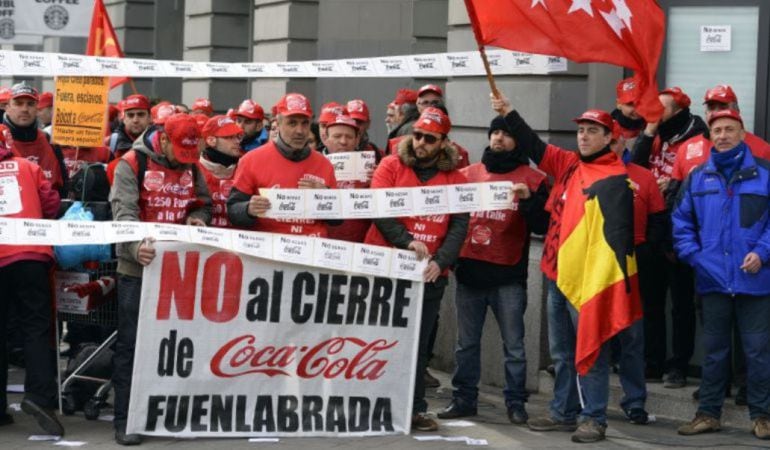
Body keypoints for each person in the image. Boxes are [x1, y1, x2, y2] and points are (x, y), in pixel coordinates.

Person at [492, 94, 640, 443]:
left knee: (591, 347)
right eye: (582, 130)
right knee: (561, 352)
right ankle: (563, 412)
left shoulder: (616, 178)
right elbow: (531, 144)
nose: (584, 136)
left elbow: (616, 242)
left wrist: (601, 283)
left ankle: (594, 417)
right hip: (557, 274)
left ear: (609, 139)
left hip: (590, 281)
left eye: (593, 131)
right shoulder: (569, 163)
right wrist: (508, 112)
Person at [437, 115, 548, 425]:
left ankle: (515, 402)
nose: (498, 138)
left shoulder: (533, 178)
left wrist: (527, 202)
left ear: (518, 141)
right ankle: (463, 399)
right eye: (494, 132)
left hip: (508, 277)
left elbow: (544, 224)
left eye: (506, 133)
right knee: (466, 344)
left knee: (514, 346)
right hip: (470, 273)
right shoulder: (467, 174)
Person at [364, 106, 470, 432]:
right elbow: (380, 210)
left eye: (430, 138)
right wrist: (407, 242)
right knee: (377, 341)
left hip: (429, 274)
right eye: (419, 135)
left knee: (418, 347)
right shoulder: (391, 164)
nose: (422, 142)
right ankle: (369, 405)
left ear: (443, 142)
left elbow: (459, 224)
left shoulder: (455, 177)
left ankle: (412, 409)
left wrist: (441, 261)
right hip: (387, 267)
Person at [109, 113, 212, 445]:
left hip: (179, 269)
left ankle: (169, 413)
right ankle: (126, 420)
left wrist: (197, 218)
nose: (184, 163)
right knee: (132, 345)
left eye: (190, 156)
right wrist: (135, 245)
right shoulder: (131, 163)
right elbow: (123, 212)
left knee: (176, 344)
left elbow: (203, 202)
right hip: (137, 270)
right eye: (180, 155)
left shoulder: (193, 165)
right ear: (164, 139)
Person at [672, 109, 770, 440]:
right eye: (717, 130)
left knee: (757, 351)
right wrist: (695, 257)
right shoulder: (698, 177)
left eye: (730, 129)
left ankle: (763, 415)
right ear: (710, 137)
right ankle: (708, 414)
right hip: (712, 280)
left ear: (743, 135)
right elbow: (681, 223)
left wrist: (762, 252)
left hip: (755, 280)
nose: (723, 135)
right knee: (714, 351)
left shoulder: (765, 174)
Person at [632, 86, 708, 388]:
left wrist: (673, 187)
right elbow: (636, 167)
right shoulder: (658, 135)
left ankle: (678, 365)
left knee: (681, 304)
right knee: (651, 302)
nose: (654, 115)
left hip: (683, 231)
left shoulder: (696, 139)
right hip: (654, 229)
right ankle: (653, 362)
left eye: (659, 110)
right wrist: (650, 129)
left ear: (677, 112)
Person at [0, 126, 63, 437]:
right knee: (35, 328)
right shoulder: (29, 166)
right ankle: (38, 397)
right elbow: (51, 205)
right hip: (30, 255)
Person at [609, 120, 666, 424]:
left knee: (632, 338)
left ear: (622, 143)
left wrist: (646, 250)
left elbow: (659, 219)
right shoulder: (584, 173)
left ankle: (634, 401)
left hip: (634, 264)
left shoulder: (644, 176)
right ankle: (586, 402)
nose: (611, 147)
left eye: (616, 141)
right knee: (594, 335)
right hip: (596, 267)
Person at [227, 93, 337, 237]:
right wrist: (248, 209)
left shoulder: (325, 164)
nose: (300, 131)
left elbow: (337, 220)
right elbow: (233, 211)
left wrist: (326, 198)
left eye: (305, 123)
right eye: (292, 123)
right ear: (277, 124)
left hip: (312, 253)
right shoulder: (251, 160)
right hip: (269, 253)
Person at [4, 83, 66, 195]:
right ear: (7, 108)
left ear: (37, 109)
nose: (25, 109)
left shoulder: (48, 140)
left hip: (48, 210)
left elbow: (63, 185)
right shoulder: (1, 141)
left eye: (30, 104)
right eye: (18, 104)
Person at [324, 114, 372, 243]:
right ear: (325, 139)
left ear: (357, 140)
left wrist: (378, 183)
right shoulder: (313, 163)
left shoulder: (371, 166)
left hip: (360, 241)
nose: (343, 142)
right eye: (337, 136)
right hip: (323, 240)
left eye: (349, 137)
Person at [199, 115, 244, 228]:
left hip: (238, 241)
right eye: (229, 137)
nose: (237, 141)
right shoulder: (194, 168)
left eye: (238, 136)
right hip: (202, 239)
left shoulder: (246, 165)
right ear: (211, 140)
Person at [611, 78, 645, 147]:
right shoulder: (607, 129)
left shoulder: (654, 128)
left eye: (640, 103)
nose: (637, 109)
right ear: (619, 104)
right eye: (630, 104)